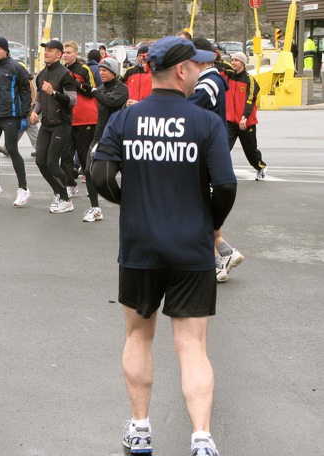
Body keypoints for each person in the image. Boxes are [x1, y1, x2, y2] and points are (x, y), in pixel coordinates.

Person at [91, 36, 236, 456]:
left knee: (138, 336)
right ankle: (202, 439)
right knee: (192, 346)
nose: (202, 72)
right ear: (180, 71)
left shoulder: (124, 119)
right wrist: (211, 222)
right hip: (191, 247)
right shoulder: (205, 122)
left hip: (140, 246)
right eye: (197, 66)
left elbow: (100, 178)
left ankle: (139, 430)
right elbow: (225, 185)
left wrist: (131, 202)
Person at [189, 37, 244, 283]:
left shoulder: (209, 82)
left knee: (198, 208)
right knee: (199, 207)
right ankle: (224, 253)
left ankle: (217, 261)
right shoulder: (208, 79)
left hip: (207, 151)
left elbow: (188, 107)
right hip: (205, 150)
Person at [0, 36, 32, 206]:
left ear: (6, 50)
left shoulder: (16, 68)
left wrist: (24, 116)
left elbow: (26, 92)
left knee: (11, 149)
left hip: (10, 116)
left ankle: (23, 189)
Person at [30, 39, 77, 213]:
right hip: (46, 124)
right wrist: (35, 112)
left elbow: (72, 101)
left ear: (59, 54)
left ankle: (66, 199)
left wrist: (54, 93)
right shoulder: (42, 74)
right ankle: (58, 192)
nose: (46, 53)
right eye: (45, 50)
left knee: (52, 162)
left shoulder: (65, 74)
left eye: (50, 50)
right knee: (40, 161)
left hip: (61, 124)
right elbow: (40, 98)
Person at [83, 57, 128, 222]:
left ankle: (129, 205)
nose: (101, 72)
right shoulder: (101, 88)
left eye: (105, 70)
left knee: (127, 174)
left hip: (117, 138)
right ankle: (95, 209)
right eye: (100, 70)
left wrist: (94, 91)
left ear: (113, 72)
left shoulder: (122, 88)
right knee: (88, 170)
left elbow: (110, 102)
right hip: (99, 136)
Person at [61, 41, 98, 200]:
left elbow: (92, 92)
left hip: (85, 119)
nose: (65, 55)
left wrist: (74, 82)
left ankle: (93, 187)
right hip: (67, 120)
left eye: (69, 52)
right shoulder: (60, 71)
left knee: (84, 159)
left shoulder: (84, 69)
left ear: (76, 53)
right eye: (64, 52)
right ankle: (70, 185)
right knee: (66, 157)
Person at [225, 51, 267, 180]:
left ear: (242, 63)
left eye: (236, 60)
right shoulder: (228, 77)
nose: (233, 62)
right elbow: (219, 66)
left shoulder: (249, 79)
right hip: (230, 122)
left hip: (246, 122)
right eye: (232, 60)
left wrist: (244, 117)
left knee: (251, 151)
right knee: (223, 148)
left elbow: (250, 101)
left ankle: (260, 167)